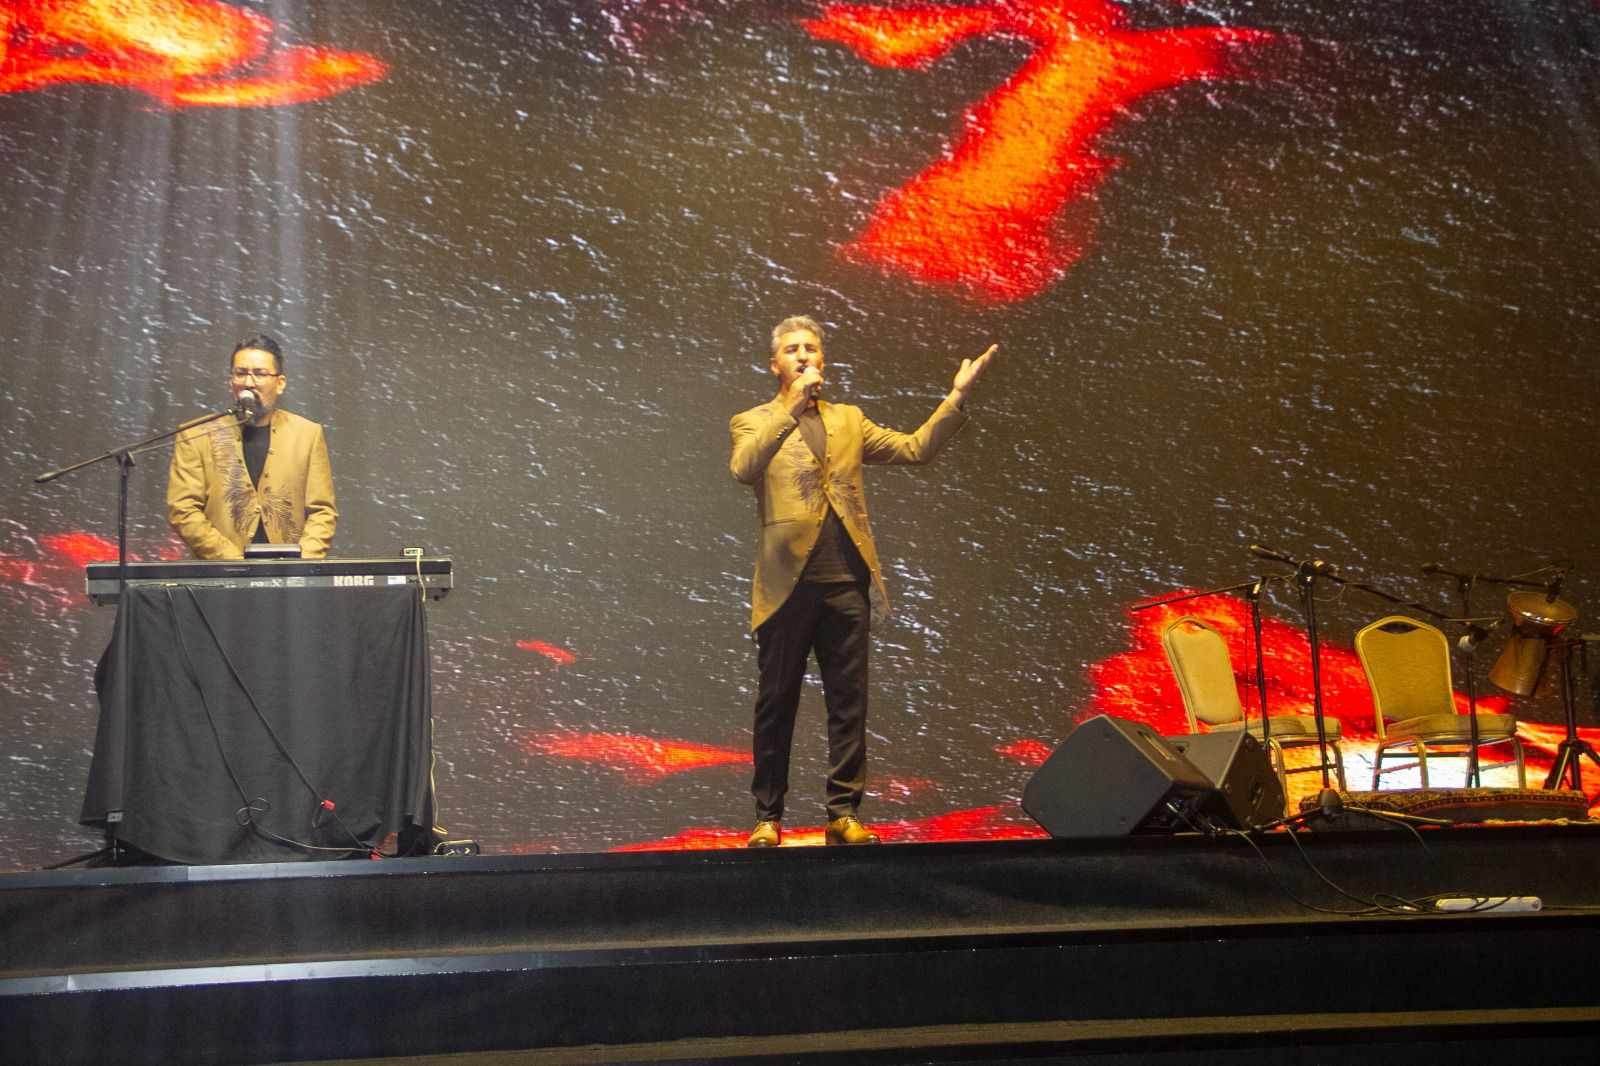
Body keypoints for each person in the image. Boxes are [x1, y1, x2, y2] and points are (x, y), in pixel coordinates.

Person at [729, 315, 996, 847]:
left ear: (823, 360)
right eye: (792, 349)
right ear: (775, 364)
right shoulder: (753, 420)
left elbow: (915, 449)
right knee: (776, 703)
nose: (803, 355)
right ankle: (768, 816)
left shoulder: (849, 419)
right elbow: (743, 467)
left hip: (846, 580)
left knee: (849, 702)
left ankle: (843, 811)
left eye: (811, 348)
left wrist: (956, 398)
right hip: (786, 585)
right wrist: (790, 406)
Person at [167, 333, 337, 559]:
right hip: (221, 572)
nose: (248, 383)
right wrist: (233, 562)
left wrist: (300, 563)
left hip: (292, 575)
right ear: (231, 381)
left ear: (280, 383)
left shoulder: (307, 434)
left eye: (259, 374)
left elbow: (322, 512)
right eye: (241, 373)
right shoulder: (197, 435)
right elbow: (183, 510)